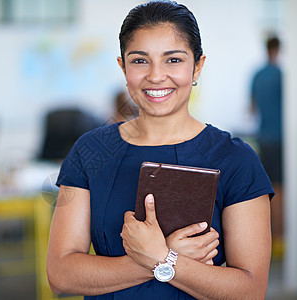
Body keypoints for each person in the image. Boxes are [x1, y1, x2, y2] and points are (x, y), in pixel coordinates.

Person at [47, 1, 274, 299]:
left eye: (173, 60)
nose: (155, 76)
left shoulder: (236, 160)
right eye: (140, 61)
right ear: (123, 67)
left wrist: (163, 258)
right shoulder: (90, 152)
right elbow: (61, 276)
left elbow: (250, 291)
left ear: (198, 66)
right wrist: (159, 258)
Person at [251, 36, 283, 258]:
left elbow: (252, 107)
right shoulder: (281, 75)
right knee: (280, 190)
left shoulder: (257, 75)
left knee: (269, 189)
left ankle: (268, 239)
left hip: (263, 136)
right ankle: (279, 241)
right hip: (280, 138)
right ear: (278, 49)